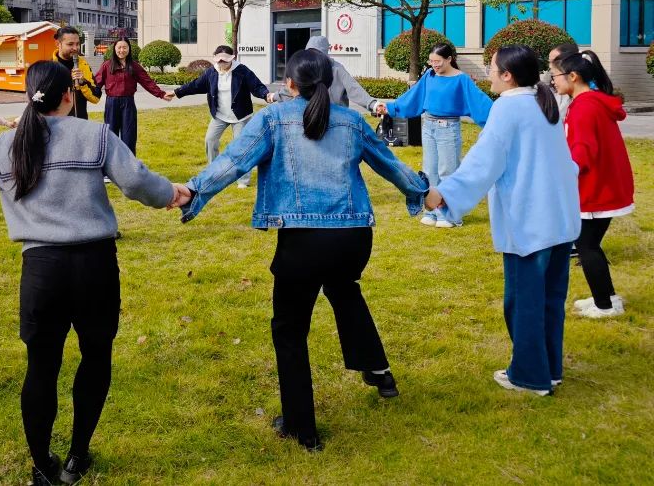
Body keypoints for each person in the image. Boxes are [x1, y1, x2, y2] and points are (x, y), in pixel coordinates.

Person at [0, 61, 190, 485]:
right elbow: (137, 182)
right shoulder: (95, 135)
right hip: (95, 267)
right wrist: (172, 193)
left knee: (41, 368)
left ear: (29, 96)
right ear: (69, 95)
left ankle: (42, 465)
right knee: (95, 358)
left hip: (41, 273)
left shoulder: (3, 145)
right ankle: (77, 456)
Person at [178, 49, 427, 450]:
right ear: (328, 81)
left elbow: (233, 161)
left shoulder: (273, 119)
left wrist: (193, 191)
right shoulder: (351, 121)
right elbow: (391, 164)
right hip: (352, 239)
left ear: (290, 84)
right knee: (343, 289)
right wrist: (420, 190)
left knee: (290, 331)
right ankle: (378, 371)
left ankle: (301, 428)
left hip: (303, 241)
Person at [425, 45, 580, 396]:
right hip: (559, 218)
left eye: (492, 68)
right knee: (549, 301)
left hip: (530, 223)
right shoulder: (544, 102)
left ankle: (530, 376)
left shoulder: (508, 107)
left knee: (524, 302)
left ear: (507, 75)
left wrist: (444, 195)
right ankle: (549, 369)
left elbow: (483, 162)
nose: (489, 74)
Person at [550, 49, 633, 318]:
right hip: (603, 186)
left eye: (555, 76)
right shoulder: (591, 102)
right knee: (590, 244)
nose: (553, 81)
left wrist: (562, 174)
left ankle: (605, 305)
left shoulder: (584, 106)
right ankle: (608, 298)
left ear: (573, 76)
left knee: (586, 246)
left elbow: (582, 152)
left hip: (595, 189)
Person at [374, 42, 493, 227]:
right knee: (430, 171)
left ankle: (451, 215)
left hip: (448, 128)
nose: (434, 65)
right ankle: (433, 211)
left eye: (438, 61)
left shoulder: (461, 79)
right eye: (431, 61)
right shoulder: (429, 75)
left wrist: (498, 117)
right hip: (428, 127)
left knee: (448, 172)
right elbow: (413, 97)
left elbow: (479, 102)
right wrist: (390, 107)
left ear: (449, 59)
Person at [164, 45, 276, 188]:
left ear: (232, 59)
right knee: (210, 141)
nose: (222, 63)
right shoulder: (211, 72)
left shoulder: (242, 71)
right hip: (219, 115)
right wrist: (176, 92)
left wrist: (266, 95)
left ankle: (243, 180)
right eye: (220, 60)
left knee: (241, 147)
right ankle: (214, 174)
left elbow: (256, 86)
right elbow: (195, 85)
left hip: (240, 116)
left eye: (225, 60)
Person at [92, 37, 165, 155]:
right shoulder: (107, 65)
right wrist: (87, 91)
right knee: (111, 136)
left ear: (129, 49)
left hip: (128, 104)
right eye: (119, 47)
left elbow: (147, 82)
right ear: (114, 49)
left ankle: (130, 164)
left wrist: (161, 94)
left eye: (124, 47)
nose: (122, 50)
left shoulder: (134, 66)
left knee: (129, 136)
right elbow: (96, 83)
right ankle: (112, 164)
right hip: (112, 104)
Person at [273, 36, 378, 110]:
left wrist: (372, 104)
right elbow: (293, 87)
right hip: (312, 115)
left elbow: (353, 88)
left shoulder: (336, 68)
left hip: (336, 116)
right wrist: (274, 96)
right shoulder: (306, 66)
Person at [52, 26, 100, 119]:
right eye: (70, 44)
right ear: (58, 44)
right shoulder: (50, 68)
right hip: (58, 123)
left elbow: (96, 98)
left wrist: (83, 82)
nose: (75, 48)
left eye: (77, 44)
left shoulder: (84, 65)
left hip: (80, 122)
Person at [546, 43, 579, 120]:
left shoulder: (585, 103)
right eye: (549, 61)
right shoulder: (553, 85)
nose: (550, 66)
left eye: (554, 61)